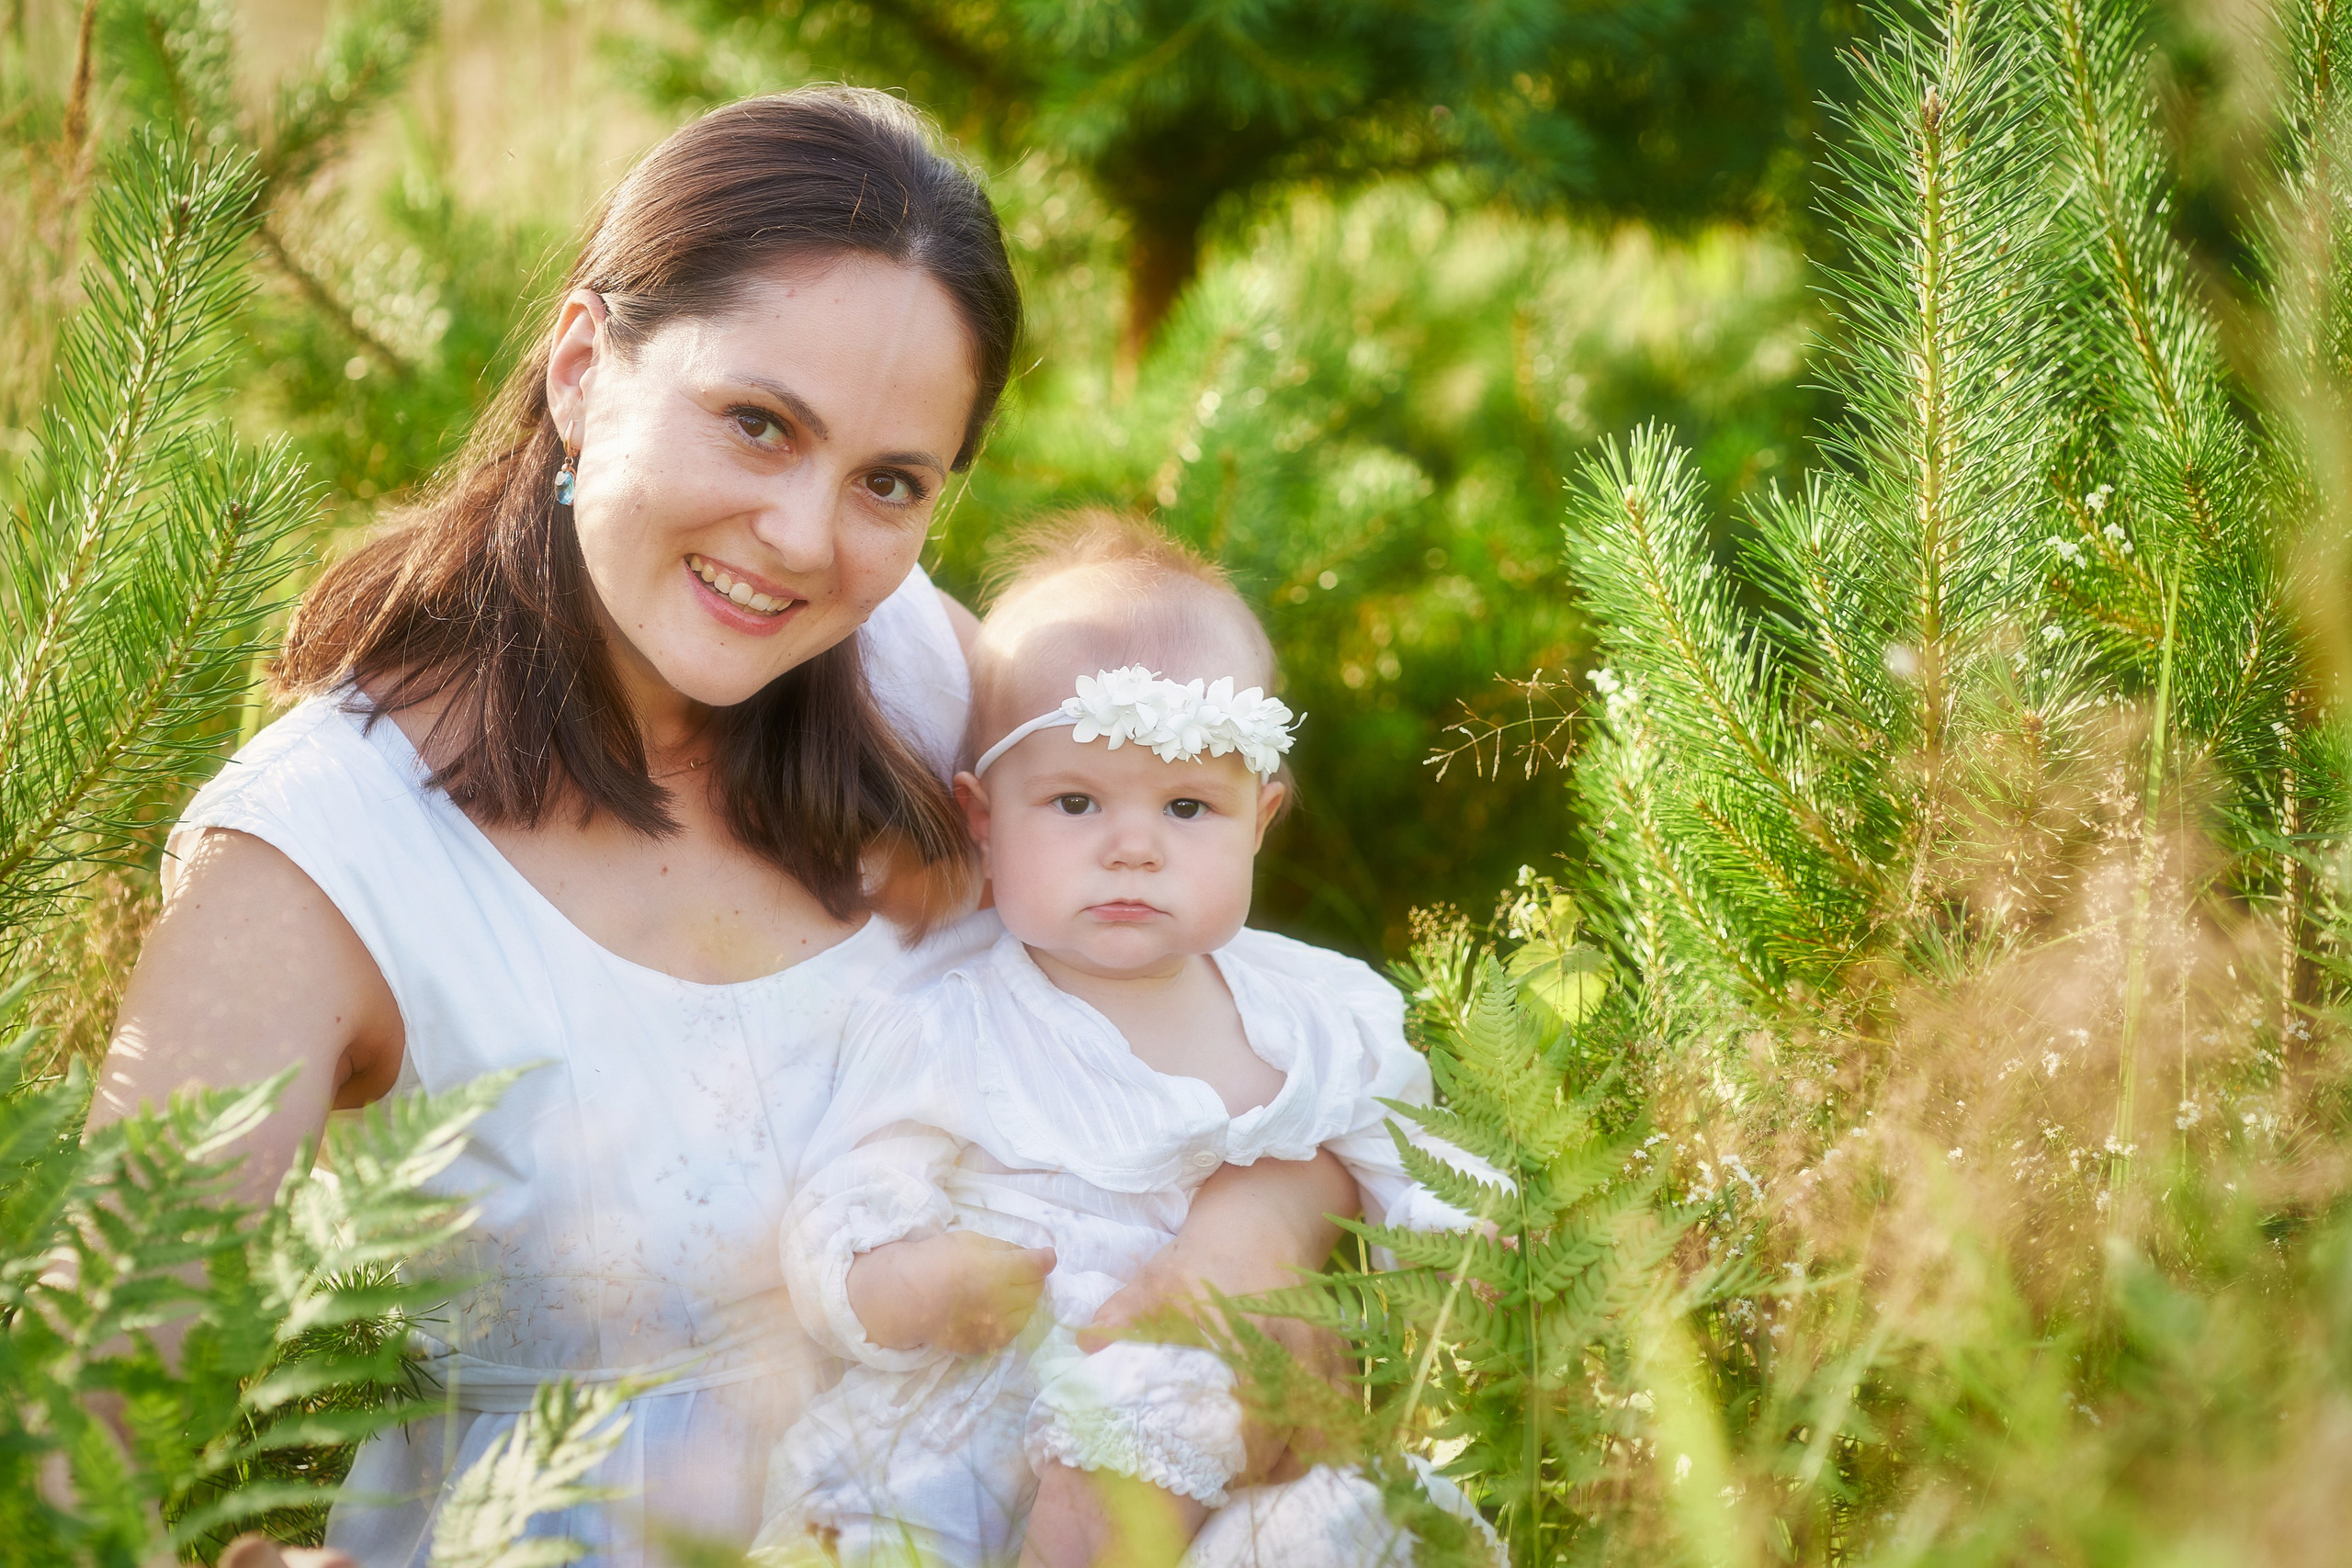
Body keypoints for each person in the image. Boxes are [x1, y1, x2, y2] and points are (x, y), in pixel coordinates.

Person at [95, 89, 1361, 1567]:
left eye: (889, 482)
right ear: (582, 366)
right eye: (758, 424)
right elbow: (78, 1418)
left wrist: (1249, 1244)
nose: (808, 540)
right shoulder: (325, 853)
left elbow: (1243, 1015)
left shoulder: (927, 684)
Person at [753, 515, 1502, 1568]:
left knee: (1349, 1528)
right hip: (968, 1443)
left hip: (1229, 1432)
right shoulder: (951, 1022)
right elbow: (847, 1192)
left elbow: (1416, 1156)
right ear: (981, 819)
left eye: (1189, 807)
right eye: (1074, 802)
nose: (1134, 848)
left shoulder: (1316, 1015)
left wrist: (1465, 1244)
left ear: (1261, 818)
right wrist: (903, 1280)